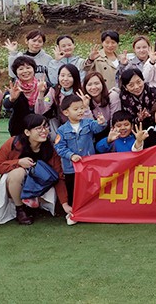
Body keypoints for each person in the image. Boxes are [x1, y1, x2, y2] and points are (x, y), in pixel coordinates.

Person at [0, 114, 68, 225]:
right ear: (27, 132)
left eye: (46, 126)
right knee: (18, 172)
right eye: (38, 128)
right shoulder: (13, 143)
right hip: (14, 184)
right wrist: (18, 162)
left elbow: (59, 175)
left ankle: (35, 205)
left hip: (39, 186)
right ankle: (20, 209)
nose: (44, 131)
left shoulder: (50, 148)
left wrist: (65, 203)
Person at [53, 94, 107, 224]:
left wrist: (101, 122)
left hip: (88, 166)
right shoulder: (62, 130)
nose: (80, 111)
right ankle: (74, 213)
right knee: (73, 191)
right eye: (76, 109)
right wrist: (71, 155)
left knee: (90, 188)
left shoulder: (88, 123)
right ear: (66, 112)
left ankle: (91, 211)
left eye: (82, 108)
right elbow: (59, 147)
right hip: (71, 168)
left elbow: (98, 128)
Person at [35, 63, 89, 135]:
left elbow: (89, 119)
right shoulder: (54, 91)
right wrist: (41, 93)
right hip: (62, 125)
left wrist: (85, 106)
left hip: (81, 126)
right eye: (62, 75)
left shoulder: (81, 91)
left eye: (69, 76)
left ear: (75, 77)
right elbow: (40, 111)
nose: (65, 79)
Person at [83, 71, 120, 139]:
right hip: (95, 134)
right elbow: (90, 126)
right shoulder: (85, 100)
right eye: (89, 84)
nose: (93, 87)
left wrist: (111, 138)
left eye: (97, 83)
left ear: (102, 84)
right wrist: (86, 107)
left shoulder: (112, 96)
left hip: (113, 132)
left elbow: (116, 120)